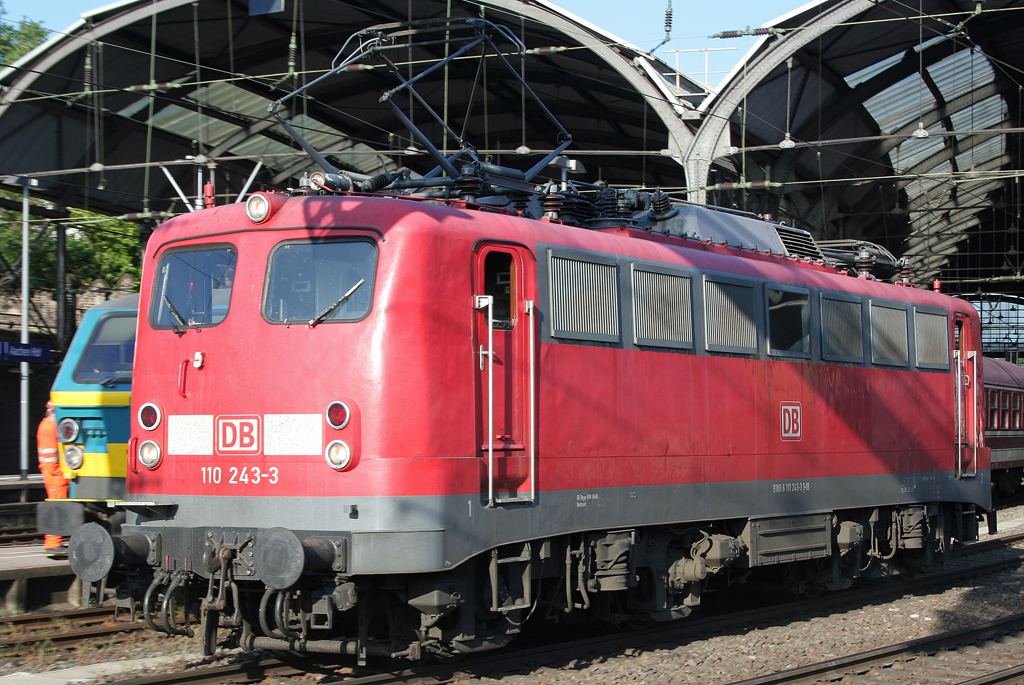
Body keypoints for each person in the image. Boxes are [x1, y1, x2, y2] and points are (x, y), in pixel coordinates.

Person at [37, 401, 68, 554]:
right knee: (56, 506)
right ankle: (52, 543)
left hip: (53, 472)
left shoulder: (47, 427)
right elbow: (50, 457)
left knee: (57, 506)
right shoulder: (48, 428)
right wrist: (59, 475)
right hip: (54, 474)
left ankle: (54, 542)